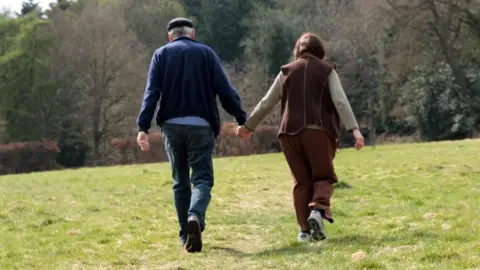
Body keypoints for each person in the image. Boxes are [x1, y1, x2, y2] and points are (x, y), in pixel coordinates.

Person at [236, 32, 364, 242]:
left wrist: (248, 126)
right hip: (318, 131)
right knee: (323, 176)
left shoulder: (286, 71)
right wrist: (355, 129)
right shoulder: (327, 70)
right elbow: (340, 101)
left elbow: (266, 103)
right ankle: (318, 210)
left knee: (301, 182)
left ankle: (304, 231)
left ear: (298, 51)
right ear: (319, 51)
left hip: (289, 134)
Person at [136, 18, 247, 253]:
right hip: (201, 126)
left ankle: (185, 234)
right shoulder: (206, 54)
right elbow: (225, 91)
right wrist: (241, 118)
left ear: (170, 36)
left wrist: (143, 127)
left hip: (172, 127)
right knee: (203, 179)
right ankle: (195, 216)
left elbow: (152, 93)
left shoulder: (161, 55)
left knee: (180, 182)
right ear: (192, 33)